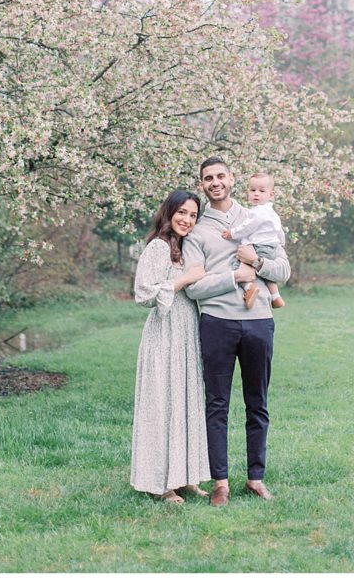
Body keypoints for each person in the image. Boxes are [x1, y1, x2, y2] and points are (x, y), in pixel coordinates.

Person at [182, 157, 291, 506]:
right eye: (207, 178)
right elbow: (193, 289)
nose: (215, 182)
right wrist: (233, 277)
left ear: (232, 179)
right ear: (202, 185)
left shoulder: (260, 217)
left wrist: (256, 263)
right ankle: (221, 482)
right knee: (217, 404)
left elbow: (283, 270)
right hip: (217, 322)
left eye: (220, 176)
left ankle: (255, 478)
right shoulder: (197, 232)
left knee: (257, 402)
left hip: (259, 322)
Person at [130, 190, 211, 504]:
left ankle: (186, 477)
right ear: (168, 212)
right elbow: (144, 294)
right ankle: (161, 484)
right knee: (163, 406)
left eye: (193, 215)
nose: (187, 220)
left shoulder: (185, 248)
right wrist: (183, 279)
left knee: (185, 403)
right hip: (163, 336)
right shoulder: (158, 247)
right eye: (182, 213)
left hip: (186, 333)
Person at [221, 171, 286, 310]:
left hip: (259, 247)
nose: (256, 194)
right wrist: (280, 243)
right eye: (252, 190)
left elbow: (247, 228)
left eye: (262, 191)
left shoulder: (257, 212)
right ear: (247, 192)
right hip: (271, 247)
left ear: (271, 195)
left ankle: (249, 287)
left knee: (236, 265)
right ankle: (275, 296)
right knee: (267, 274)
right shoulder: (272, 213)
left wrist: (232, 233)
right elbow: (279, 230)